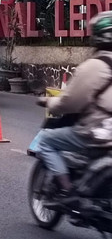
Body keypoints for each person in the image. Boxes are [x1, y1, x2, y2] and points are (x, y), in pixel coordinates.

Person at [35, 11, 112, 203]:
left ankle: (68, 191)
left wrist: (49, 102)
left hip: (96, 133)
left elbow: (69, 102)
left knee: (45, 141)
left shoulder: (95, 66)